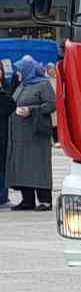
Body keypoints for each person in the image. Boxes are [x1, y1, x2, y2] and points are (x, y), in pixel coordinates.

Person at [5, 57, 56, 211]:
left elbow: (52, 105)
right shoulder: (22, 85)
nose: (18, 73)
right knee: (22, 167)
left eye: (20, 69)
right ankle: (27, 200)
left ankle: (45, 200)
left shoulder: (43, 85)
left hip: (35, 134)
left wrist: (32, 110)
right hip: (20, 135)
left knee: (38, 167)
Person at [0, 59, 15, 206]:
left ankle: (2, 195)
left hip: (4, 133)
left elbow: (10, 105)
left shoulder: (6, 87)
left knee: (3, 165)